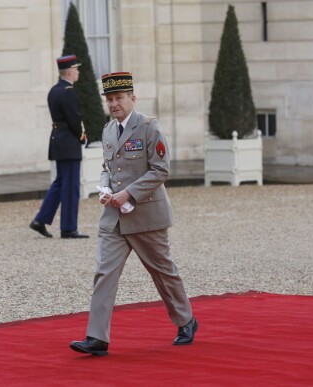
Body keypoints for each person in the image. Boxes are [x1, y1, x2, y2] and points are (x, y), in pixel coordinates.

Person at [70, 72, 197, 356]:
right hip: (114, 217)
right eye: (110, 99)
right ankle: (97, 337)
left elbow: (161, 170)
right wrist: (104, 186)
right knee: (104, 273)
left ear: (132, 98)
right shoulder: (108, 130)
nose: (114, 104)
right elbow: (109, 166)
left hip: (146, 214)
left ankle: (186, 320)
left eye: (119, 98)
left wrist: (129, 193)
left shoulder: (149, 127)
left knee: (162, 272)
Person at [29, 55, 89, 239]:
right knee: (71, 186)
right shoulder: (68, 91)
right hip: (69, 142)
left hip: (57, 140)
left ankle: (40, 220)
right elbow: (74, 119)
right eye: (76, 69)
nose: (78, 72)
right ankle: (68, 228)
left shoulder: (54, 90)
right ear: (70, 71)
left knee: (60, 183)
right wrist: (82, 136)